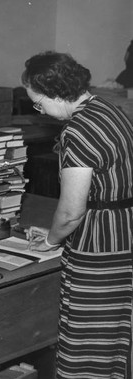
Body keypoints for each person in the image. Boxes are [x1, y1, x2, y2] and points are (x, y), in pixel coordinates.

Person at [22, 51, 133, 378]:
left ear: (56, 93)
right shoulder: (109, 109)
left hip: (99, 242)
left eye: (38, 103)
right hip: (125, 230)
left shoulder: (79, 132)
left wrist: (51, 240)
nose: (38, 111)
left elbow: (71, 212)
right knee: (115, 335)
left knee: (87, 337)